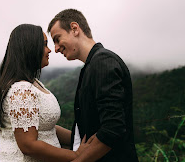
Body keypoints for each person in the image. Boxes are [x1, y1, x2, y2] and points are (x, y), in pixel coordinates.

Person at [47, 9, 139, 162]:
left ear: (75, 29)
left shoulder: (103, 62)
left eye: (57, 39)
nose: (55, 48)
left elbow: (113, 128)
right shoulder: (91, 66)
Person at [0, 24, 89, 162]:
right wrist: (77, 156)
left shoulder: (34, 84)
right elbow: (28, 145)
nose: (49, 50)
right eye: (44, 45)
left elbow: (47, 127)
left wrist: (81, 139)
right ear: (30, 48)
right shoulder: (21, 90)